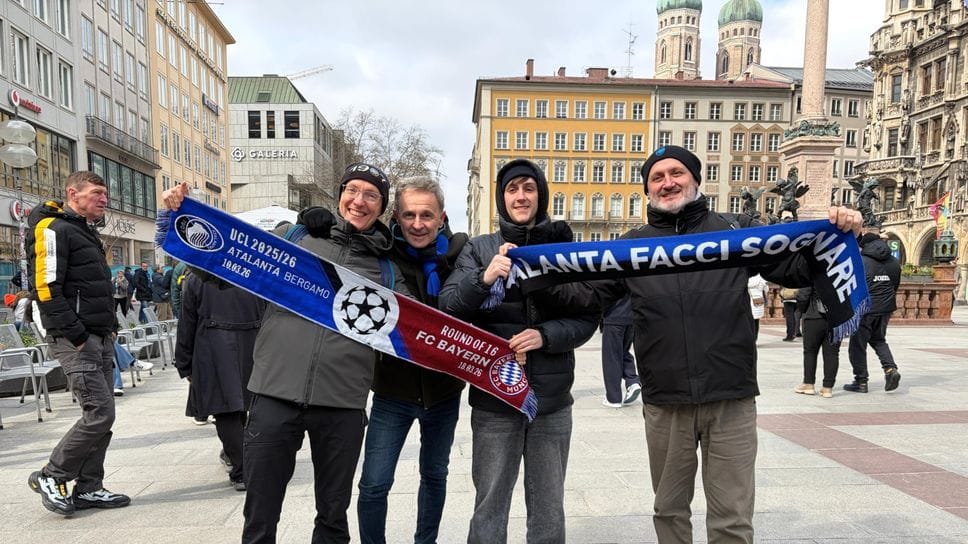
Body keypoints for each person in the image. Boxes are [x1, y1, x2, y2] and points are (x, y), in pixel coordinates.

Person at [595, 146, 862, 543]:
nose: (668, 182)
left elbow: (797, 267)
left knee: (732, 519)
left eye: (677, 173)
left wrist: (840, 233)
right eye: (657, 177)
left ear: (696, 180)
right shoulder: (631, 247)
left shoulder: (734, 233)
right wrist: (524, 266)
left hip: (730, 397)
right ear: (647, 189)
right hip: (666, 401)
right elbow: (581, 293)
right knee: (668, 511)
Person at [161, 161, 409, 543]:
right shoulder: (294, 238)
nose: (359, 201)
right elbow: (217, 268)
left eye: (371, 195)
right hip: (274, 393)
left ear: (383, 207)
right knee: (260, 512)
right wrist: (180, 215)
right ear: (340, 194)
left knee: (332, 514)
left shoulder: (387, 268)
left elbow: (416, 328)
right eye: (352, 190)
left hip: (342, 403)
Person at [439, 159, 598, 544]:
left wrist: (545, 335)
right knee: (490, 503)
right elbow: (448, 308)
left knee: (548, 506)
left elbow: (588, 312)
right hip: (495, 399)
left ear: (540, 194)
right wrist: (485, 278)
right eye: (512, 189)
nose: (521, 196)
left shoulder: (563, 249)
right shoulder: (479, 249)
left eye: (528, 187)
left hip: (552, 400)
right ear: (501, 197)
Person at [351, 176, 468, 544]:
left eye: (426, 215)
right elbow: (340, 241)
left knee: (435, 476)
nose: (418, 224)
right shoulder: (381, 256)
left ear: (442, 218)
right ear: (397, 218)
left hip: (444, 392)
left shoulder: (461, 256)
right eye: (409, 215)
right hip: (392, 391)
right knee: (373, 484)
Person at [25, 171, 131, 516]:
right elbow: (45, 288)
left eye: (105, 193)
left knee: (103, 413)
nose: (104, 199)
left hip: (98, 334)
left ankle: (89, 487)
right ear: (74, 193)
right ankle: (52, 475)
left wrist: (106, 330)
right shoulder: (53, 229)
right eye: (97, 193)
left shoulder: (83, 230)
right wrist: (77, 334)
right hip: (76, 338)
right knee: (99, 411)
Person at [174, 271, 264, 491]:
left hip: (212, 347)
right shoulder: (254, 273)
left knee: (226, 410)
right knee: (241, 405)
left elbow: (187, 322)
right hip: (253, 345)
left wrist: (184, 362)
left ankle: (242, 469)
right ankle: (240, 460)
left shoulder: (197, 277)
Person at [845, 232, 902, 393]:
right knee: (879, 339)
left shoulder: (861, 261)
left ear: (863, 246)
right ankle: (890, 369)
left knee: (857, 345)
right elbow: (895, 285)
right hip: (886, 308)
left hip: (865, 308)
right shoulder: (894, 262)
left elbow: (853, 285)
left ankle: (861, 381)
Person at [793, 286, 841, 398]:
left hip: (813, 316)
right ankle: (827, 388)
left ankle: (808, 384)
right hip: (836, 317)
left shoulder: (813, 270)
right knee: (832, 354)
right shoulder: (843, 269)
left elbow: (803, 294)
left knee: (810, 351)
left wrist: (802, 310)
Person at [599, 295, 641, 408]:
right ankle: (633, 381)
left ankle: (614, 398)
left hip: (614, 315)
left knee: (611, 357)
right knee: (623, 352)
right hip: (631, 316)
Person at [747, 274, 768, 340]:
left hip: (749, 302)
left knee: (748, 322)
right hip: (758, 302)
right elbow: (766, 289)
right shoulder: (761, 279)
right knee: (756, 322)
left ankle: (749, 338)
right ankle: (755, 338)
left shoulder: (747, 279)